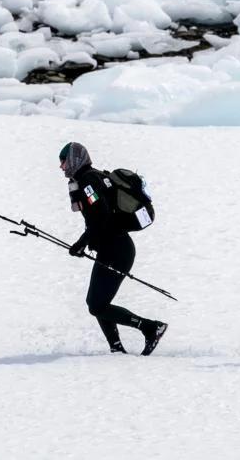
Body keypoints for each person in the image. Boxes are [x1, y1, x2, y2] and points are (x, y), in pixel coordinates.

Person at [60, 142, 167, 356]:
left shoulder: (89, 181)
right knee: (97, 302)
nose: (61, 166)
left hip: (117, 250)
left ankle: (150, 328)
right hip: (113, 248)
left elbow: (101, 217)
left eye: (63, 160)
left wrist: (82, 242)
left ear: (74, 159)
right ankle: (116, 348)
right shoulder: (89, 178)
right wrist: (87, 241)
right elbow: (99, 219)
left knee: (97, 305)